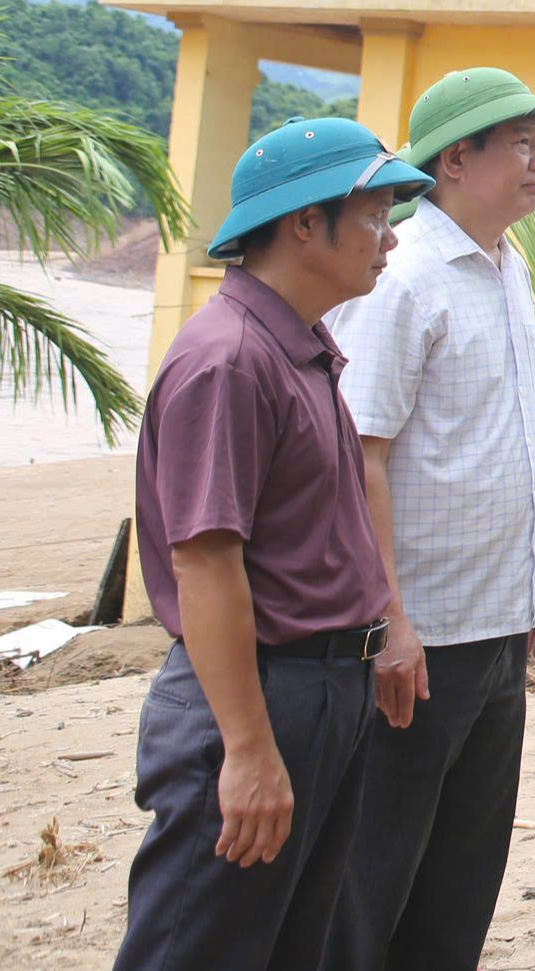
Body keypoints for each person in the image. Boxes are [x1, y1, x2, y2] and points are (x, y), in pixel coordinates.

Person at [114, 118, 433, 971]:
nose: (390, 236)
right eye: (371, 214)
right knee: (197, 947)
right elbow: (206, 564)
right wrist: (250, 749)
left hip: (325, 690)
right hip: (257, 696)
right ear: (303, 223)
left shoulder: (302, 345)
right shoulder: (228, 361)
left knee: (289, 946)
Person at [321, 68, 535, 971]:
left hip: (497, 624)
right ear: (456, 158)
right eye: (521, 140)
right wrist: (390, 618)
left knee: (464, 873)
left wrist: (534, 562)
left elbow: (499, 437)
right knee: (373, 875)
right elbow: (363, 453)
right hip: (419, 640)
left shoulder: (510, 268)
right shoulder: (406, 276)